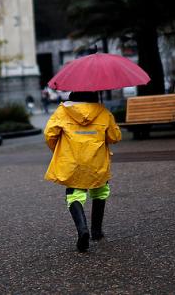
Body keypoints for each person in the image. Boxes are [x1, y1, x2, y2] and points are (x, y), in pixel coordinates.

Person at [43, 91, 122, 252]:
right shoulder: (103, 112)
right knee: (100, 191)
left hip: (72, 161)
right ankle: (96, 231)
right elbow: (115, 137)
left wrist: (59, 150)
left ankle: (82, 230)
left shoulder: (63, 111)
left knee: (74, 195)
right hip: (97, 161)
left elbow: (49, 135)